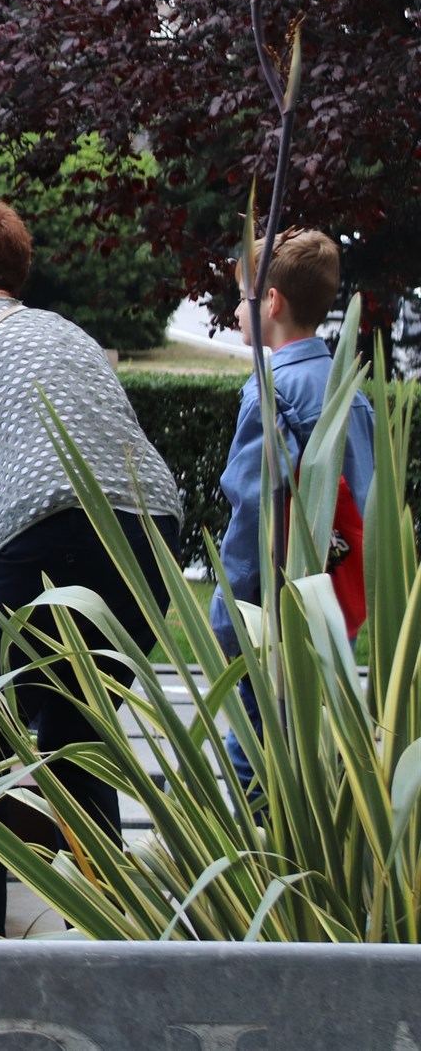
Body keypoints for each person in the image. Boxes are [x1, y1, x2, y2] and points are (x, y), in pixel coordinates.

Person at [0, 200, 182, 937]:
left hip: (41, 528)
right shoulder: (68, 333)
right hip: (150, 533)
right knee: (76, 732)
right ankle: (112, 934)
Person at [212, 228, 373, 791]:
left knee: (254, 756)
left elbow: (254, 510)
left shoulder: (271, 390)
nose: (236, 312)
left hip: (275, 612)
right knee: (312, 748)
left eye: (241, 298)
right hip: (335, 603)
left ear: (271, 303)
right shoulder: (348, 387)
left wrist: (226, 610)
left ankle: (260, 875)